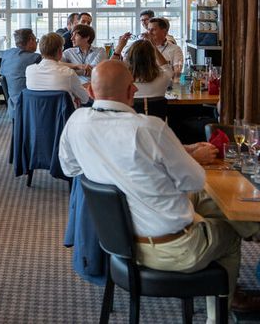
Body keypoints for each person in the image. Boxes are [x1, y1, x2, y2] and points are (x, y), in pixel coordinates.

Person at [58, 61, 257, 321]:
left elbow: (71, 167)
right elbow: (194, 180)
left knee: (207, 199)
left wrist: (179, 152)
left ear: (92, 92)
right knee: (229, 234)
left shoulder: (77, 122)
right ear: (132, 91)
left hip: (120, 244)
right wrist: (189, 156)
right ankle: (217, 315)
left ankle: (253, 228)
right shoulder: (149, 127)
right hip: (172, 249)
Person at [25, 33, 89, 105]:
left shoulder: (29, 70)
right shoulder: (68, 73)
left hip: (35, 115)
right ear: (59, 51)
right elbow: (85, 99)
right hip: (66, 115)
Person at [0, 28, 41, 118]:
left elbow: (2, 73)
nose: (37, 43)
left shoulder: (7, 54)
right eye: (36, 40)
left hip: (12, 105)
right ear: (30, 41)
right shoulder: (35, 58)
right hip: (29, 107)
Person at [115, 17, 183, 71]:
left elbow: (177, 73)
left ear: (164, 32)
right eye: (148, 29)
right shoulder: (140, 47)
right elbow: (125, 64)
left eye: (153, 30)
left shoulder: (175, 49)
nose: (149, 33)